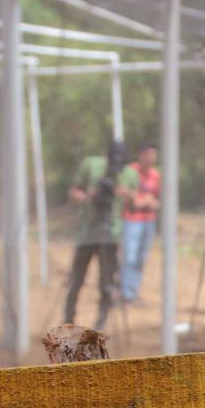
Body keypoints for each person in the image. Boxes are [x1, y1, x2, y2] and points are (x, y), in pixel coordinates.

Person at [62, 139, 133, 331]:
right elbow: (73, 192)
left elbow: (136, 204)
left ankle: (101, 320)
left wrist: (125, 194)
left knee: (107, 283)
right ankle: (68, 318)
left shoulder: (130, 175)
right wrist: (87, 197)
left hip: (111, 235)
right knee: (76, 279)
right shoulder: (91, 165)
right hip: (87, 233)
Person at [117, 140, 160, 304]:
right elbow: (121, 190)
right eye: (148, 154)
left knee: (141, 258)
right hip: (131, 220)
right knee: (129, 257)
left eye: (153, 155)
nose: (151, 158)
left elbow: (159, 198)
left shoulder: (156, 175)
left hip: (149, 220)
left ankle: (133, 291)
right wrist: (137, 199)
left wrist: (152, 203)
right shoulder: (129, 171)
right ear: (140, 155)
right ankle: (126, 292)